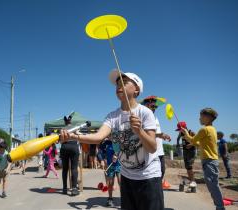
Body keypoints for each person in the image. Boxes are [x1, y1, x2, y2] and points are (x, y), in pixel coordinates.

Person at [60, 70, 163, 210]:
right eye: (117, 84)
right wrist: (74, 136)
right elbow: (98, 137)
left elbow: (152, 147)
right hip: (127, 177)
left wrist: (139, 131)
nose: (119, 86)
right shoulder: (112, 116)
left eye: (124, 83)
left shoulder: (145, 113)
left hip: (148, 177)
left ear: (137, 90)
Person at [181, 108, 225, 210]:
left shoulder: (204, 129)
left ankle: (220, 207)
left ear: (208, 117)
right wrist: (192, 143)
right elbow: (200, 144)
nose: (199, 118)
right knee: (212, 184)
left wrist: (185, 133)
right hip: (211, 160)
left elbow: (192, 139)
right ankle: (219, 206)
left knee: (213, 185)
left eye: (201, 116)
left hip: (209, 161)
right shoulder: (212, 129)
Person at [141, 96, 171, 180]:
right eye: (152, 106)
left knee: (162, 172)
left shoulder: (155, 117)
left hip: (160, 151)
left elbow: (156, 132)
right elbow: (144, 134)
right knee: (151, 176)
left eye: (155, 106)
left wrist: (162, 135)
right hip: (150, 152)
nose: (155, 108)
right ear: (146, 105)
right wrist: (160, 135)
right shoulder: (143, 117)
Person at [60, 115, 80, 196]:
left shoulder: (62, 129)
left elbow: (60, 140)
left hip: (64, 147)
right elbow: (79, 135)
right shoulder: (75, 127)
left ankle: (64, 188)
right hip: (73, 146)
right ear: (70, 121)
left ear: (65, 121)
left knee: (65, 169)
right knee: (74, 168)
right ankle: (74, 188)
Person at [176, 121, 197, 188]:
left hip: (191, 151)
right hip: (185, 151)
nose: (180, 131)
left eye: (180, 129)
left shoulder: (191, 132)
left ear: (184, 127)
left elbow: (198, 141)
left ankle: (193, 181)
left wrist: (191, 144)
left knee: (189, 166)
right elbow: (178, 138)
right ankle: (191, 180)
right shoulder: (181, 133)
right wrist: (178, 144)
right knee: (187, 167)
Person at [104, 139, 121, 207]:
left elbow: (122, 149)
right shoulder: (105, 142)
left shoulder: (119, 141)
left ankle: (124, 199)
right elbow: (100, 151)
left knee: (121, 182)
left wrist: (116, 154)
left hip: (119, 165)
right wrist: (102, 159)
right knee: (110, 183)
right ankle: (110, 198)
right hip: (109, 165)